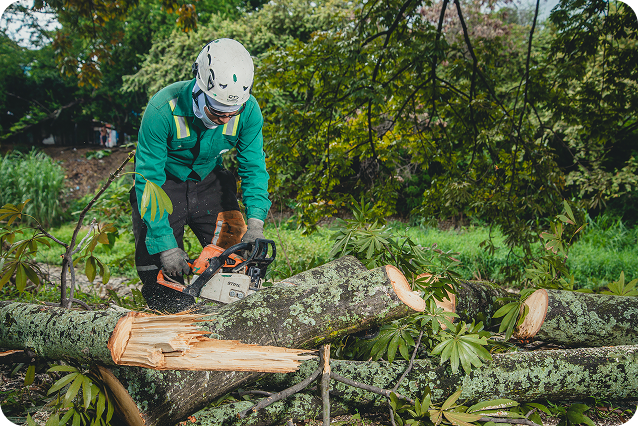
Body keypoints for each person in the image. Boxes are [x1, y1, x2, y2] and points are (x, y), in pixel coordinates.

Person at [130, 38, 271, 313]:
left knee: (237, 256)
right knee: (159, 269)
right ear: (200, 88)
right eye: (217, 111)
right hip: (163, 184)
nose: (225, 120)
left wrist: (255, 223)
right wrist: (165, 244)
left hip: (210, 181)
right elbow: (148, 179)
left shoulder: (249, 111)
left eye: (232, 112)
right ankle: (171, 315)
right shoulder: (162, 110)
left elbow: (253, 167)